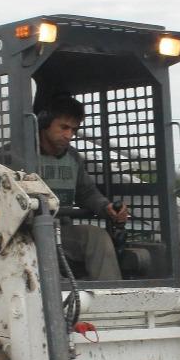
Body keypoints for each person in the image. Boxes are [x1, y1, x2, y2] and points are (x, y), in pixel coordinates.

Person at [36, 94, 129, 280]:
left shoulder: (73, 158)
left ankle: (112, 301)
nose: (69, 135)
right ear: (45, 122)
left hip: (61, 232)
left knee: (97, 237)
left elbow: (87, 192)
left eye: (73, 129)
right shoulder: (14, 155)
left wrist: (106, 207)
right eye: (63, 127)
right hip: (25, 236)